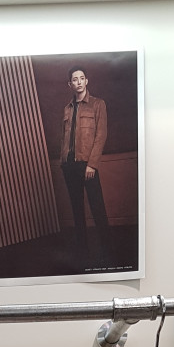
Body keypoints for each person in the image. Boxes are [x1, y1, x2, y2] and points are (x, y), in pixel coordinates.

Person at [60, 65, 109, 259]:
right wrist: (63, 162)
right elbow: (64, 138)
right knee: (76, 208)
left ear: (86, 81)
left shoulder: (98, 104)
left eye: (81, 78)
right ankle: (82, 250)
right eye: (75, 79)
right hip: (69, 165)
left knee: (97, 206)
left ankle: (107, 248)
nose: (78, 82)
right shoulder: (67, 109)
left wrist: (92, 164)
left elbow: (101, 135)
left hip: (87, 164)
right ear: (70, 84)